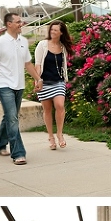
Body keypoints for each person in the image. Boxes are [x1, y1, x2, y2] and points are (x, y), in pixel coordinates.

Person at [0, 13, 43, 165]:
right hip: (4, 86)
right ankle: (18, 153)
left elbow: (28, 64)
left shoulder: (23, 41)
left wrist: (38, 78)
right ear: (9, 24)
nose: (21, 24)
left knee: (10, 117)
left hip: (19, 85)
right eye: (18, 22)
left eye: (21, 21)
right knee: (12, 118)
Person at [34, 20, 73, 150]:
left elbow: (63, 66)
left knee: (60, 105)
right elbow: (38, 64)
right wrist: (37, 79)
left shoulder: (63, 47)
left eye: (55, 30)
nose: (53, 32)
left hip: (58, 81)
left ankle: (60, 134)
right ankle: (51, 137)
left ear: (61, 33)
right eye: (51, 29)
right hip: (44, 82)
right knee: (48, 110)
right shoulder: (42, 45)